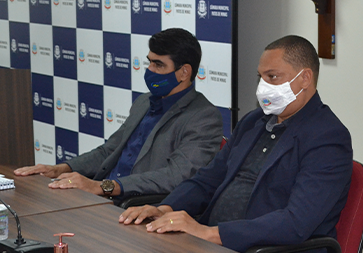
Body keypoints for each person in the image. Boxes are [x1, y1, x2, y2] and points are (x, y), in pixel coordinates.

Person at [120, 35, 353, 253]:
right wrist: (165, 208)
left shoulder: (328, 137)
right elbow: (208, 179)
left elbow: (295, 223)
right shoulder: (253, 121)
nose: (263, 86)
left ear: (304, 78)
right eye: (260, 77)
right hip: (215, 250)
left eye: (272, 77)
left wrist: (210, 233)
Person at [14, 28, 223, 200]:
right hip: (103, 198)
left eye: (159, 65)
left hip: (136, 205)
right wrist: (60, 169)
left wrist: (104, 187)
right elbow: (109, 151)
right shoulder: (144, 102)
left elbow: (175, 176)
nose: (150, 70)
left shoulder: (203, 117)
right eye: (150, 62)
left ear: (184, 72)